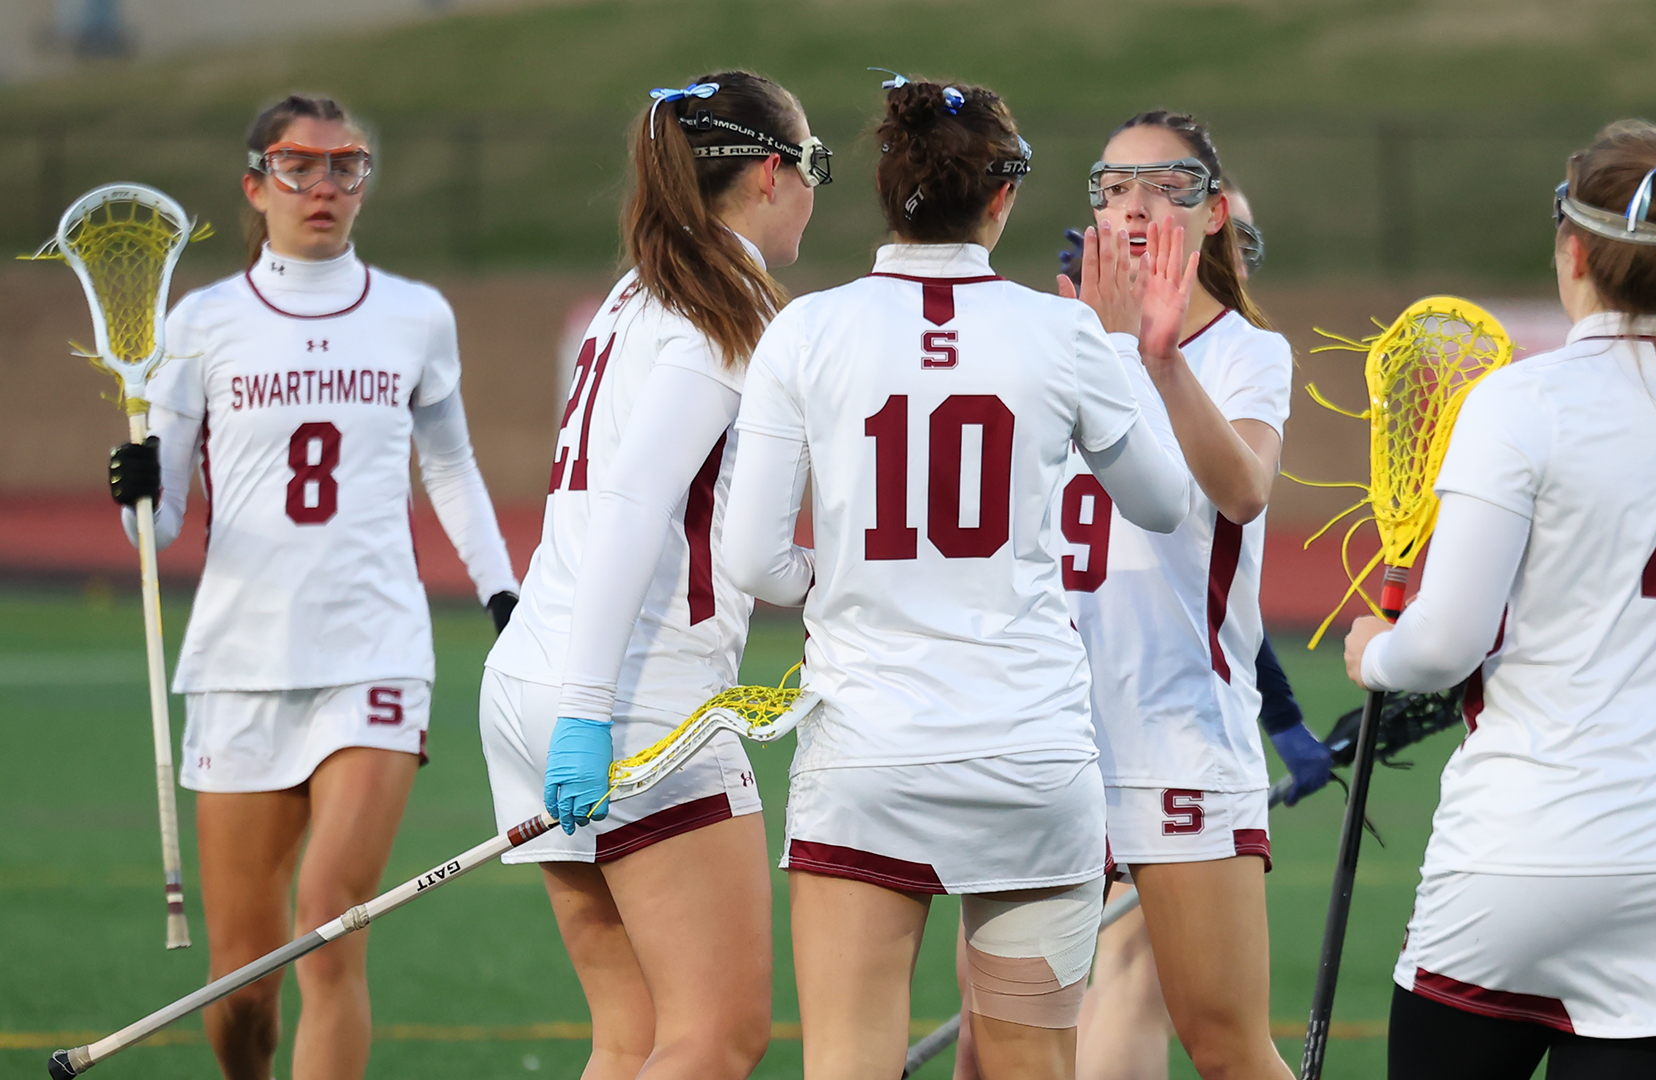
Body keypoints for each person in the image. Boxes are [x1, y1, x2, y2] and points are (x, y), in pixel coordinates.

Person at [720, 75, 1199, 1080]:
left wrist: (846, 579)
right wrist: (1114, 348)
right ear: (1002, 195)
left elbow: (754, 560)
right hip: (1030, 762)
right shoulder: (1062, 334)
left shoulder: (807, 330)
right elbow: (1163, 501)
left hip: (870, 762)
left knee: (849, 1064)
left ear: (888, 189)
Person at [1341, 120, 1656, 1080]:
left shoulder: (1521, 403)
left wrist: (1375, 651)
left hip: (1531, 854)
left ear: (1573, 247)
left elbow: (1444, 645)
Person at [102, 93, 518, 1080]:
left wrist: (506, 596)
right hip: (239, 665)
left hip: (373, 655)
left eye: (347, 165)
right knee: (245, 983)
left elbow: (450, 469)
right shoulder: (200, 326)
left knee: (330, 927)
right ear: (256, 185)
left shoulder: (417, 315)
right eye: (299, 166)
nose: (324, 185)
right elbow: (155, 530)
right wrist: (134, 491)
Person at [477, 71, 823, 1080]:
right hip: (636, 702)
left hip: (533, 683)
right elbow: (634, 504)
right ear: (770, 174)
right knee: (717, 1039)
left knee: (633, 1040)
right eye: (814, 167)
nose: (815, 193)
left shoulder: (642, 287)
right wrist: (590, 712)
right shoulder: (731, 302)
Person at [1043, 164, 1324, 1080]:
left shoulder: (1238, 357)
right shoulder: (1051, 350)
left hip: (1166, 738)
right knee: (1002, 1047)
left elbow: (1215, 559)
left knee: (1193, 1023)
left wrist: (1279, 717)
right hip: (1048, 736)